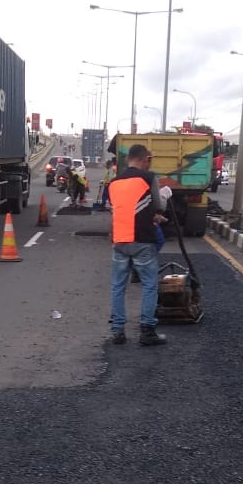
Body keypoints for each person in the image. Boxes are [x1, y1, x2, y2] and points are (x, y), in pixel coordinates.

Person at [106, 144, 168, 346]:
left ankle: (118, 332)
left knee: (118, 287)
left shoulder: (113, 183)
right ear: (144, 160)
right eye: (149, 160)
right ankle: (147, 331)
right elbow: (159, 206)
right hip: (142, 240)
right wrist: (158, 215)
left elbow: (115, 210)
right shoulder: (148, 178)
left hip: (120, 241)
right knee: (149, 285)